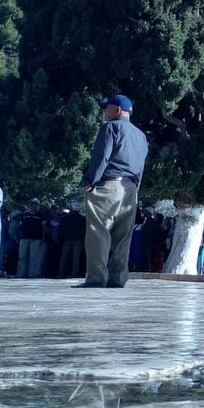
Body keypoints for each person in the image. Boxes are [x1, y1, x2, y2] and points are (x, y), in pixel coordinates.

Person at [77, 94, 148, 289]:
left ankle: (96, 278)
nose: (104, 112)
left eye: (106, 108)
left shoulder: (110, 127)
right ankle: (117, 278)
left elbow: (102, 156)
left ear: (117, 110)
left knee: (98, 232)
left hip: (108, 185)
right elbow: (141, 167)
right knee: (123, 237)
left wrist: (91, 181)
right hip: (130, 189)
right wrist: (135, 190)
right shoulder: (141, 136)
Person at [15, 199, 48, 278]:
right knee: (22, 256)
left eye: (35, 204)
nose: (33, 205)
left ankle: (32, 274)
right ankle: (20, 274)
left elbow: (44, 227)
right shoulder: (25, 214)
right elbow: (19, 225)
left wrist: (43, 238)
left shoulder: (41, 215)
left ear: (38, 205)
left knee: (33, 257)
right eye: (31, 204)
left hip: (36, 238)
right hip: (24, 238)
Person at [58, 205, 86, 278]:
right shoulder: (82, 218)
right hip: (78, 240)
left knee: (63, 257)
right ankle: (74, 274)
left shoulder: (65, 218)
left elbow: (61, 228)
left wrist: (60, 238)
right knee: (76, 259)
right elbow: (84, 230)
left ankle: (61, 274)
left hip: (67, 240)